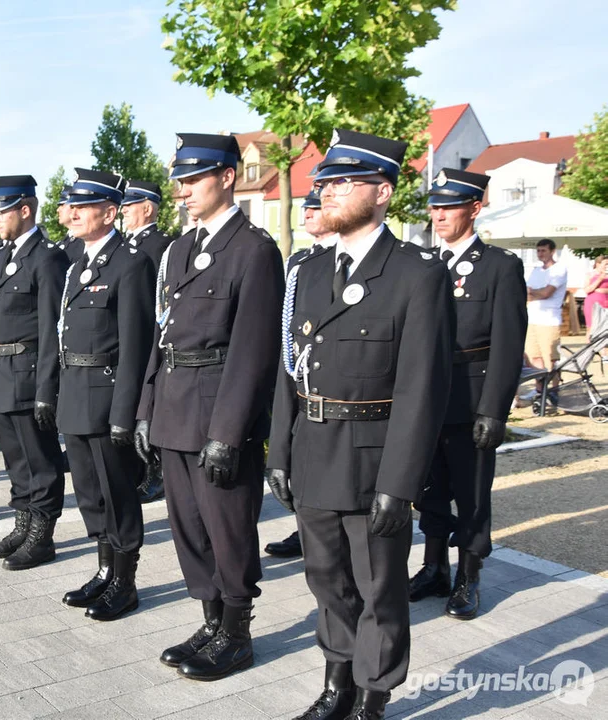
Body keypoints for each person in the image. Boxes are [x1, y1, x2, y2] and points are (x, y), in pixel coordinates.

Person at [266, 129, 454, 720]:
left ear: (384, 192)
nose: (325, 191)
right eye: (325, 181)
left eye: (343, 182)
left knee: (379, 585)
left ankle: (373, 696)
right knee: (325, 578)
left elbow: (422, 389)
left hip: (374, 457)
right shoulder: (312, 271)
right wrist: (279, 450)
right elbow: (288, 370)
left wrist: (400, 484)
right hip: (314, 448)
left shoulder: (415, 273)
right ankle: (336, 684)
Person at [134, 133, 283, 681]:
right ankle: (211, 619)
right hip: (174, 405)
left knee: (228, 528)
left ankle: (237, 633)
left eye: (195, 179)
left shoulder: (254, 250)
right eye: (180, 180)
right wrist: (146, 406)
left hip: (218, 412)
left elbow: (253, 351)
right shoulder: (177, 248)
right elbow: (162, 336)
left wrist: (229, 431)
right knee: (188, 529)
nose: (184, 190)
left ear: (227, 177)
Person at [408, 168, 527, 623]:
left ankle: (468, 575)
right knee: (429, 488)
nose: (438, 215)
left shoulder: (500, 266)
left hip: (471, 396)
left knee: (472, 492)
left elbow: (508, 343)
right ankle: (433, 567)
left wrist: (494, 409)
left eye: (449, 206)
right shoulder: (421, 261)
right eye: (434, 207)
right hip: (426, 399)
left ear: (474, 208)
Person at [58, 169, 153, 621]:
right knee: (90, 494)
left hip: (107, 395)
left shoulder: (129, 264)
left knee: (118, 494)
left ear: (110, 212)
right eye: (72, 205)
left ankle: (125, 582)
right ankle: (104, 570)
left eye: (84, 205)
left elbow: (135, 346)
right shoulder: (79, 261)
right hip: (75, 392)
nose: (72, 213)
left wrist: (125, 413)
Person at [0, 175, 70, 570]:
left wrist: (47, 390)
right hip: (0, 369)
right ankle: (23, 521)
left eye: (1, 211)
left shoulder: (47, 258)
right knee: (15, 458)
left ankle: (42, 533)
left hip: (29, 373)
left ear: (25, 209)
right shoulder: (0, 257)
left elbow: (53, 329)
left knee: (40, 459)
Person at [264, 190, 339, 561]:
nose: (308, 213)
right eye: (305, 208)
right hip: (301, 381)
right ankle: (304, 530)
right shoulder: (300, 261)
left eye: (315, 207)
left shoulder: (340, 262)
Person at [120, 179, 175, 504]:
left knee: (150, 407)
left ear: (147, 208)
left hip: (150, 335)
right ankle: (141, 469)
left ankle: (155, 474)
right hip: (133, 335)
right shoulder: (131, 244)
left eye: (130, 205)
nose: (124, 211)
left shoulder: (161, 245)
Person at [524, 239, 568, 403]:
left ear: (552, 251)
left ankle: (554, 390)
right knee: (534, 357)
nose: (540, 254)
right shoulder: (536, 271)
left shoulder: (559, 270)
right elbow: (527, 293)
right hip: (532, 318)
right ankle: (539, 391)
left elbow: (547, 293)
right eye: (538, 251)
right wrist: (535, 293)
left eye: (543, 250)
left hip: (549, 320)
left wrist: (534, 293)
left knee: (550, 357)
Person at [583, 255, 608, 338]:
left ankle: (604, 349)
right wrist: (600, 279)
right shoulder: (590, 274)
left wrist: (604, 290)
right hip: (592, 303)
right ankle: (590, 347)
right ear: (598, 264)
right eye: (605, 264)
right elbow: (587, 290)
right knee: (590, 327)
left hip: (605, 302)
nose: (607, 266)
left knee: (605, 326)